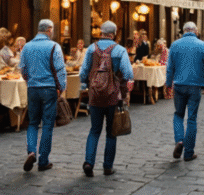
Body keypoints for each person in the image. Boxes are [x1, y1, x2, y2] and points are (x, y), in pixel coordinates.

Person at [78, 21, 134, 176]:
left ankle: (89, 162)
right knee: (111, 132)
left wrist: (90, 84)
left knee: (94, 130)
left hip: (95, 96)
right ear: (114, 34)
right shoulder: (120, 50)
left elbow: (83, 74)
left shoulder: (91, 49)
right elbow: (128, 73)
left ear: (101, 32)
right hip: (113, 96)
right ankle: (107, 166)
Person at [19, 19, 66, 172]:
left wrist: (29, 80)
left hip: (33, 88)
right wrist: (62, 88)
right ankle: (43, 160)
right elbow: (60, 70)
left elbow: (23, 69)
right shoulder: (54, 46)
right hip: (49, 88)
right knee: (47, 125)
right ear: (49, 30)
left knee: (33, 123)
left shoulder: (27, 46)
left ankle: (31, 151)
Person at [166, 22, 204, 162]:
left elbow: (170, 68)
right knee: (192, 118)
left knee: (178, 115)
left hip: (179, 85)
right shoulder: (203, 46)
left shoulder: (174, 45)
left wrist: (168, 83)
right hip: (195, 86)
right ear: (196, 32)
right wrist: (202, 78)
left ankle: (179, 140)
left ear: (183, 31)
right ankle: (188, 153)